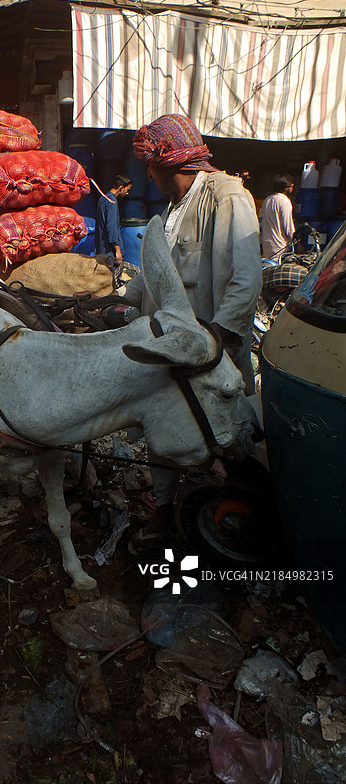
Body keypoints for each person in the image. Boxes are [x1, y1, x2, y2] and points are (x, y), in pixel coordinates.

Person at [128, 114, 262, 530]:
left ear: (166, 161)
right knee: (163, 427)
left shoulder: (226, 196)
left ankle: (244, 513)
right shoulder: (172, 209)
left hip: (211, 353)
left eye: (149, 165)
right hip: (173, 348)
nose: (147, 175)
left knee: (231, 435)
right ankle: (166, 510)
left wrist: (218, 335)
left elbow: (247, 278)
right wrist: (119, 300)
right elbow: (157, 272)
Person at [95, 174, 132, 271]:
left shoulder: (102, 199)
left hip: (101, 250)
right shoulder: (112, 203)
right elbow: (112, 227)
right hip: (109, 252)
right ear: (121, 188)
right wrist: (118, 250)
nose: (127, 193)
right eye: (127, 190)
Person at [260, 174, 295, 262]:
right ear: (286, 188)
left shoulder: (267, 200)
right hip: (280, 248)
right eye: (292, 187)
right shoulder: (284, 201)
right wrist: (296, 241)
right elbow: (288, 227)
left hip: (267, 247)